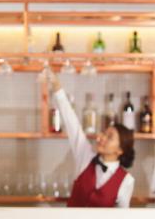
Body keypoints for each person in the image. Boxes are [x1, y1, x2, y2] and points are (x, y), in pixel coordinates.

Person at [50, 75, 135, 207]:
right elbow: (71, 121)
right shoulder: (86, 156)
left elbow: (121, 217)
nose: (102, 138)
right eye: (104, 133)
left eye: (109, 137)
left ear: (120, 150)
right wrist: (56, 85)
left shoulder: (126, 181)